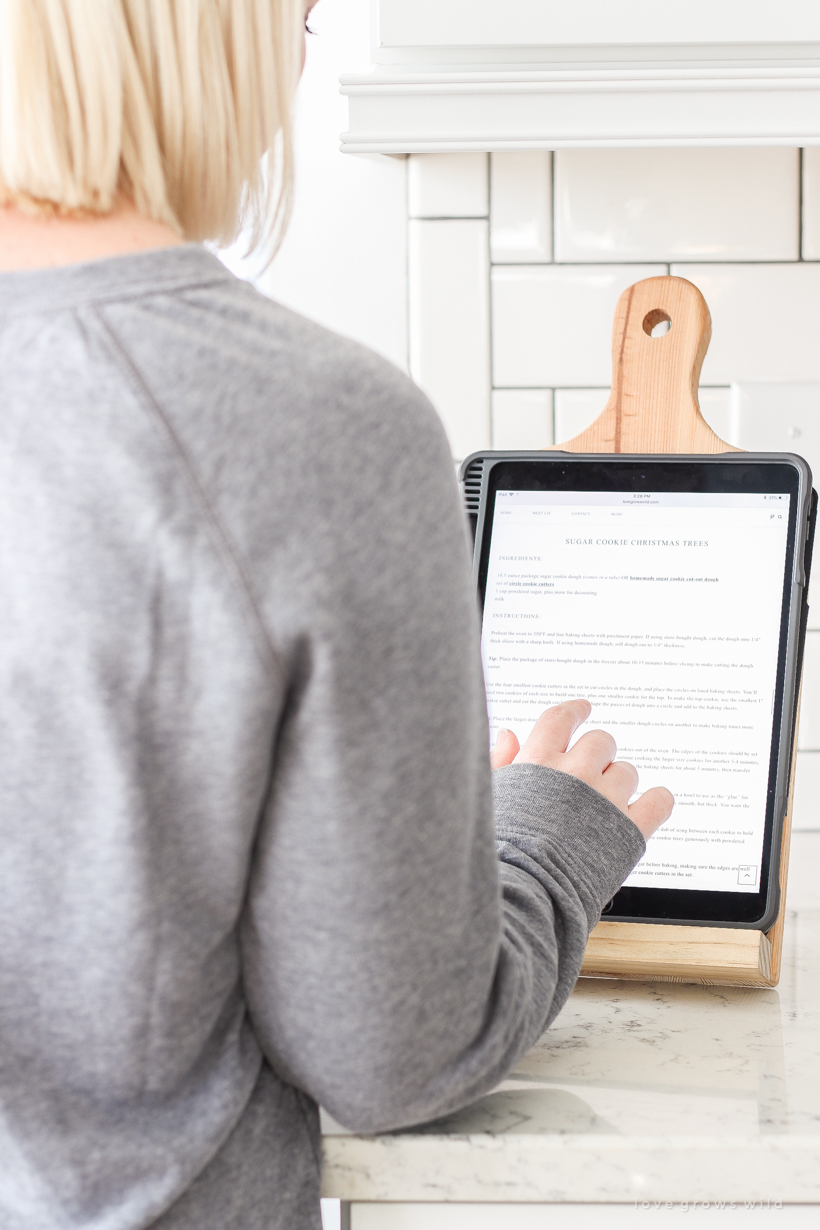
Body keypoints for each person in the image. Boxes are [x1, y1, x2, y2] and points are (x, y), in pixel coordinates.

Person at [0, 2, 673, 1228]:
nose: (302, 54)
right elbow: (393, 1051)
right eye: (298, 14)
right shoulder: (308, 422)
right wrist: (544, 840)